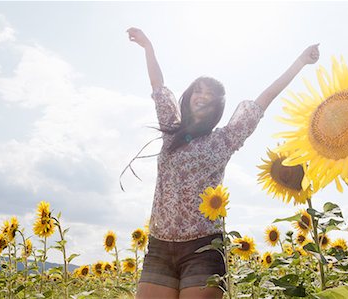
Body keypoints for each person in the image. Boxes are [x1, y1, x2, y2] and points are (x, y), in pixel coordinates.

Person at [126, 27, 319, 299]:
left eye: (210, 94)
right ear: (190, 96)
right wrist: (148, 47)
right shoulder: (171, 130)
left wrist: (300, 62)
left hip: (203, 249)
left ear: (218, 107)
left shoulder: (225, 139)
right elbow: (158, 87)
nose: (202, 96)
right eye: (199, 90)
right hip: (159, 247)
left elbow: (262, 101)